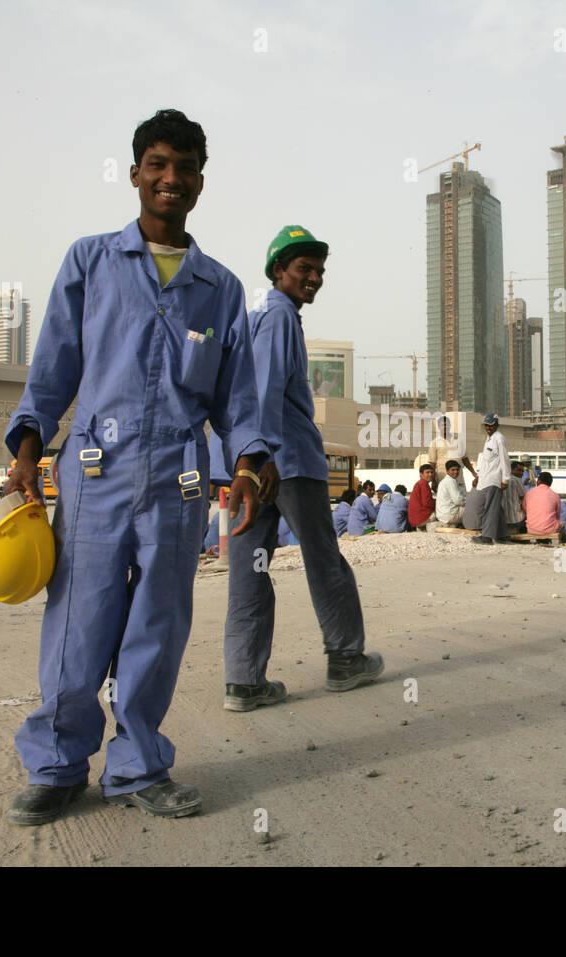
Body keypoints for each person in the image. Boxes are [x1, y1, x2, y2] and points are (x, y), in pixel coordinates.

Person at [3, 110, 268, 825]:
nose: (169, 179)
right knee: (78, 621)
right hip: (94, 473)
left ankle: (139, 764)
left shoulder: (221, 288)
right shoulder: (89, 262)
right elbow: (52, 369)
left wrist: (243, 465)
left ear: (200, 183)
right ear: (135, 174)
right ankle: (57, 765)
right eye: (157, 164)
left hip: (180, 478)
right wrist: (28, 450)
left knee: (158, 622)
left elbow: (236, 397)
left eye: (183, 168)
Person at [221, 224, 381, 712]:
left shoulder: (254, 319)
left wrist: (245, 465)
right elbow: (266, 389)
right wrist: (266, 455)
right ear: (278, 272)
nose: (312, 278)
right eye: (303, 269)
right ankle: (346, 658)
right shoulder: (280, 316)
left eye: (318, 271)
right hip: (284, 462)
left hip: (251, 466)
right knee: (323, 559)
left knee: (251, 566)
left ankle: (244, 682)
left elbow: (239, 394)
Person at [471, 412, 512, 545]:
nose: (489, 428)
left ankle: (487, 537)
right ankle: (503, 535)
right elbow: (486, 462)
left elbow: (505, 459)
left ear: (497, 425)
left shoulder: (499, 439)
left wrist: (505, 479)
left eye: (492, 425)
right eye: (487, 425)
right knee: (495, 507)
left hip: (494, 479)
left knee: (490, 508)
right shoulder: (489, 439)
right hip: (486, 478)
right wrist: (478, 476)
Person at [427, 416, 473, 491]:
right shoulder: (434, 443)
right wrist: (433, 481)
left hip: (459, 479)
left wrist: (473, 473)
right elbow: (432, 463)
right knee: (446, 502)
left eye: (447, 424)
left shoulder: (458, 441)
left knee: (461, 501)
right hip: (442, 479)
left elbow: (465, 459)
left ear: (450, 426)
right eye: (442, 425)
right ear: (439, 427)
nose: (445, 427)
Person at [523, 471, 563, 536]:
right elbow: (557, 515)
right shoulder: (555, 495)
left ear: (538, 480)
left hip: (531, 529)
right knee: (563, 523)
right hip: (550, 530)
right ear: (550, 483)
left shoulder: (529, 492)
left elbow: (525, 509)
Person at [435, 460, 467, 527]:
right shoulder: (450, 481)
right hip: (449, 516)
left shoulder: (446, 481)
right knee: (473, 507)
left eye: (457, 470)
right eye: (453, 470)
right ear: (447, 471)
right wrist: (468, 500)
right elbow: (458, 501)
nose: (456, 472)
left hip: (442, 516)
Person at [407, 464, 435, 530]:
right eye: (427, 472)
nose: (430, 474)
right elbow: (427, 503)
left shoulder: (419, 483)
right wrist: (439, 502)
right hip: (420, 518)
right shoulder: (424, 484)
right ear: (421, 474)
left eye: (431, 472)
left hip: (414, 519)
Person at [503, 460, 527, 533]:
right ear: (511, 470)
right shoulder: (516, 480)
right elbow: (523, 496)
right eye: (519, 470)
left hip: (503, 518)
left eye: (523, 471)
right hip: (516, 520)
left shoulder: (503, 479)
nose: (521, 473)